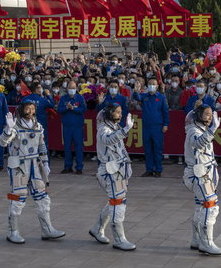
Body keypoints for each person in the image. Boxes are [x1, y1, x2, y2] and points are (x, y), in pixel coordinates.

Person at [0, 101, 65, 244]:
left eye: (32, 109)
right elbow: (3, 142)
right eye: (27, 109)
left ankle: (47, 229)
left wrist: (46, 162)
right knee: (18, 198)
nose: (30, 111)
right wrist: (8, 130)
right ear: (22, 110)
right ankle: (13, 232)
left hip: (35, 165)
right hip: (19, 166)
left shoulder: (38, 126)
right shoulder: (14, 126)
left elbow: (42, 145)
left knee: (42, 197)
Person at [89, 104, 136, 251]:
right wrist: (126, 129)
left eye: (120, 112)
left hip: (118, 170)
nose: (120, 115)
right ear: (109, 113)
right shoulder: (104, 129)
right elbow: (108, 140)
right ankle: (119, 239)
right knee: (118, 203)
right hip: (109, 171)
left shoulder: (114, 127)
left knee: (115, 201)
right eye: (116, 112)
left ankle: (97, 228)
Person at [183, 105, 221, 255]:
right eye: (206, 114)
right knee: (210, 206)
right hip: (198, 174)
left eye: (210, 115)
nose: (209, 117)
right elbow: (198, 143)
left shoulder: (201, 130)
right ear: (199, 115)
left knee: (200, 206)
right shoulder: (194, 131)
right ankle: (207, 243)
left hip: (204, 173)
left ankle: (196, 239)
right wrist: (213, 129)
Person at [133, 78, 170, 178]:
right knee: (148, 149)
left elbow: (165, 111)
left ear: (157, 86)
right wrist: (136, 91)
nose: (151, 86)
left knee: (157, 149)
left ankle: (158, 170)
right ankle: (149, 169)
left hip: (158, 127)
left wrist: (165, 124)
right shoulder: (145, 96)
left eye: (153, 84)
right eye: (149, 84)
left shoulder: (161, 97)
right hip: (146, 126)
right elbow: (137, 97)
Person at [57, 81, 86, 174]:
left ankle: (79, 167)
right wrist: (67, 107)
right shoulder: (63, 98)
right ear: (67, 89)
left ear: (76, 88)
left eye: (73, 88)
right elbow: (59, 110)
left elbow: (83, 109)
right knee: (67, 147)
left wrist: (73, 108)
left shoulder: (80, 98)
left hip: (77, 127)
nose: (71, 90)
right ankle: (67, 166)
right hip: (67, 127)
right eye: (70, 88)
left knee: (78, 147)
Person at [23, 82, 55, 148]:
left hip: (28, 125)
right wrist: (48, 95)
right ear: (36, 89)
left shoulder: (25, 99)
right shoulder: (42, 100)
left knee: (30, 144)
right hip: (40, 125)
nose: (41, 89)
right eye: (40, 87)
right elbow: (52, 105)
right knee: (43, 144)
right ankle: (44, 158)